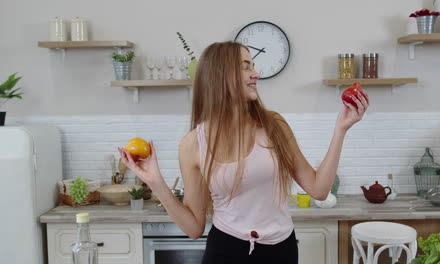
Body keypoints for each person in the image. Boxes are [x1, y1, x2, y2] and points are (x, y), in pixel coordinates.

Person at [118, 41, 369, 264]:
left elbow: (319, 189)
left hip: (281, 251)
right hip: (226, 250)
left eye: (253, 66)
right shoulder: (193, 144)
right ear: (220, 75)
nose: (256, 74)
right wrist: (155, 182)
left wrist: (340, 130)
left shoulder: (274, 125)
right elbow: (194, 228)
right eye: (246, 66)